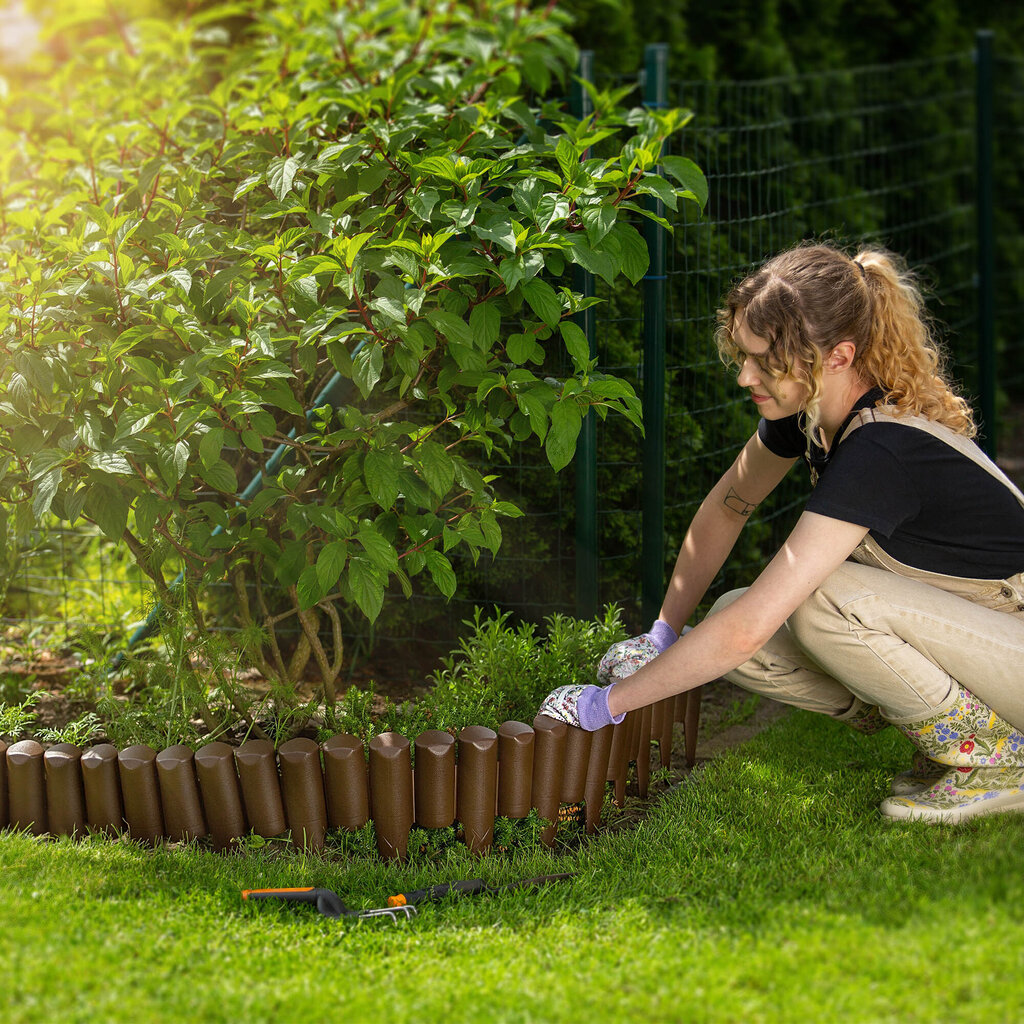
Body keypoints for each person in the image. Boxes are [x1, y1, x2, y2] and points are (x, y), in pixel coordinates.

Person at [539, 241, 1024, 824]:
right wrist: (663, 632)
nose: (745, 376)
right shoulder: (814, 416)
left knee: (820, 599)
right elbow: (728, 507)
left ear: (838, 357)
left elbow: (747, 631)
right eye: (743, 355)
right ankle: (943, 730)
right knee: (734, 611)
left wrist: (606, 705)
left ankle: (997, 759)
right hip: (987, 643)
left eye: (766, 360)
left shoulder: (880, 448)